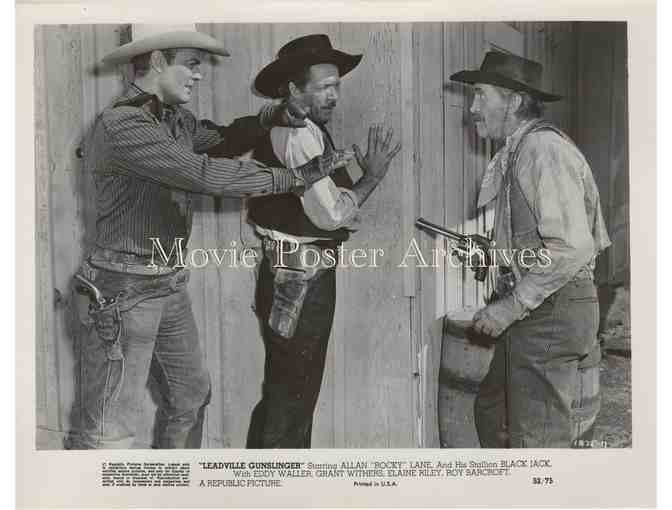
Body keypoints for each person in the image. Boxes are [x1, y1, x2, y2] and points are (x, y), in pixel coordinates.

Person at [66, 26, 351, 449]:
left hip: (166, 283)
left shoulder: (173, 119)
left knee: (190, 397)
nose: (199, 75)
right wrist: (292, 177)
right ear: (158, 60)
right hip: (121, 290)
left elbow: (218, 139)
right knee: (109, 426)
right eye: (192, 64)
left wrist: (270, 116)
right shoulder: (123, 124)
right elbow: (199, 172)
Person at [244, 34, 401, 448]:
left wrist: (356, 178)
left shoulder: (309, 130)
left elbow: (326, 203)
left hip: (297, 272)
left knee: (289, 393)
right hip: (297, 278)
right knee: (291, 398)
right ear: (293, 90)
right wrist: (373, 176)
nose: (334, 96)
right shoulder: (297, 136)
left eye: (337, 86)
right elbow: (329, 213)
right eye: (324, 87)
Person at [449, 51, 611, 448]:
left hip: (551, 309)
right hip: (541, 306)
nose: (473, 107)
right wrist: (499, 252)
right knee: (492, 411)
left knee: (535, 442)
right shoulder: (522, 149)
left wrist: (510, 305)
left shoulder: (542, 151)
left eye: (481, 94)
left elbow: (572, 246)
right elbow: (543, 240)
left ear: (515, 101)